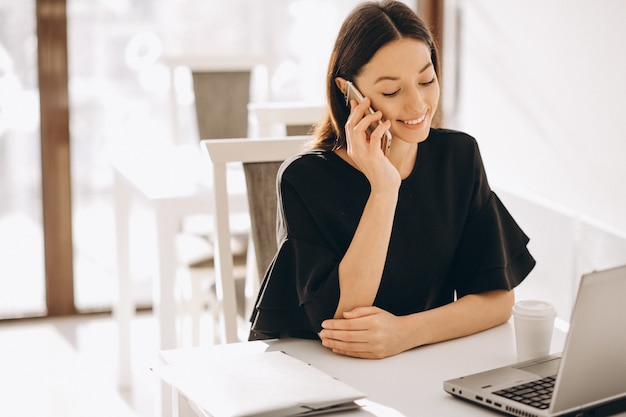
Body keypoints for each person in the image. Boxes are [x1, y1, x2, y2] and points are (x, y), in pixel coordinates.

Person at [248, 0, 536, 359]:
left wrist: (406, 332)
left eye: (426, 80)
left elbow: (498, 298)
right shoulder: (304, 179)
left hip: (423, 366)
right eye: (391, 91)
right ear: (347, 91)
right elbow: (341, 318)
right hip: (331, 379)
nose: (418, 105)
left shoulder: (458, 157)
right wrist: (384, 187)